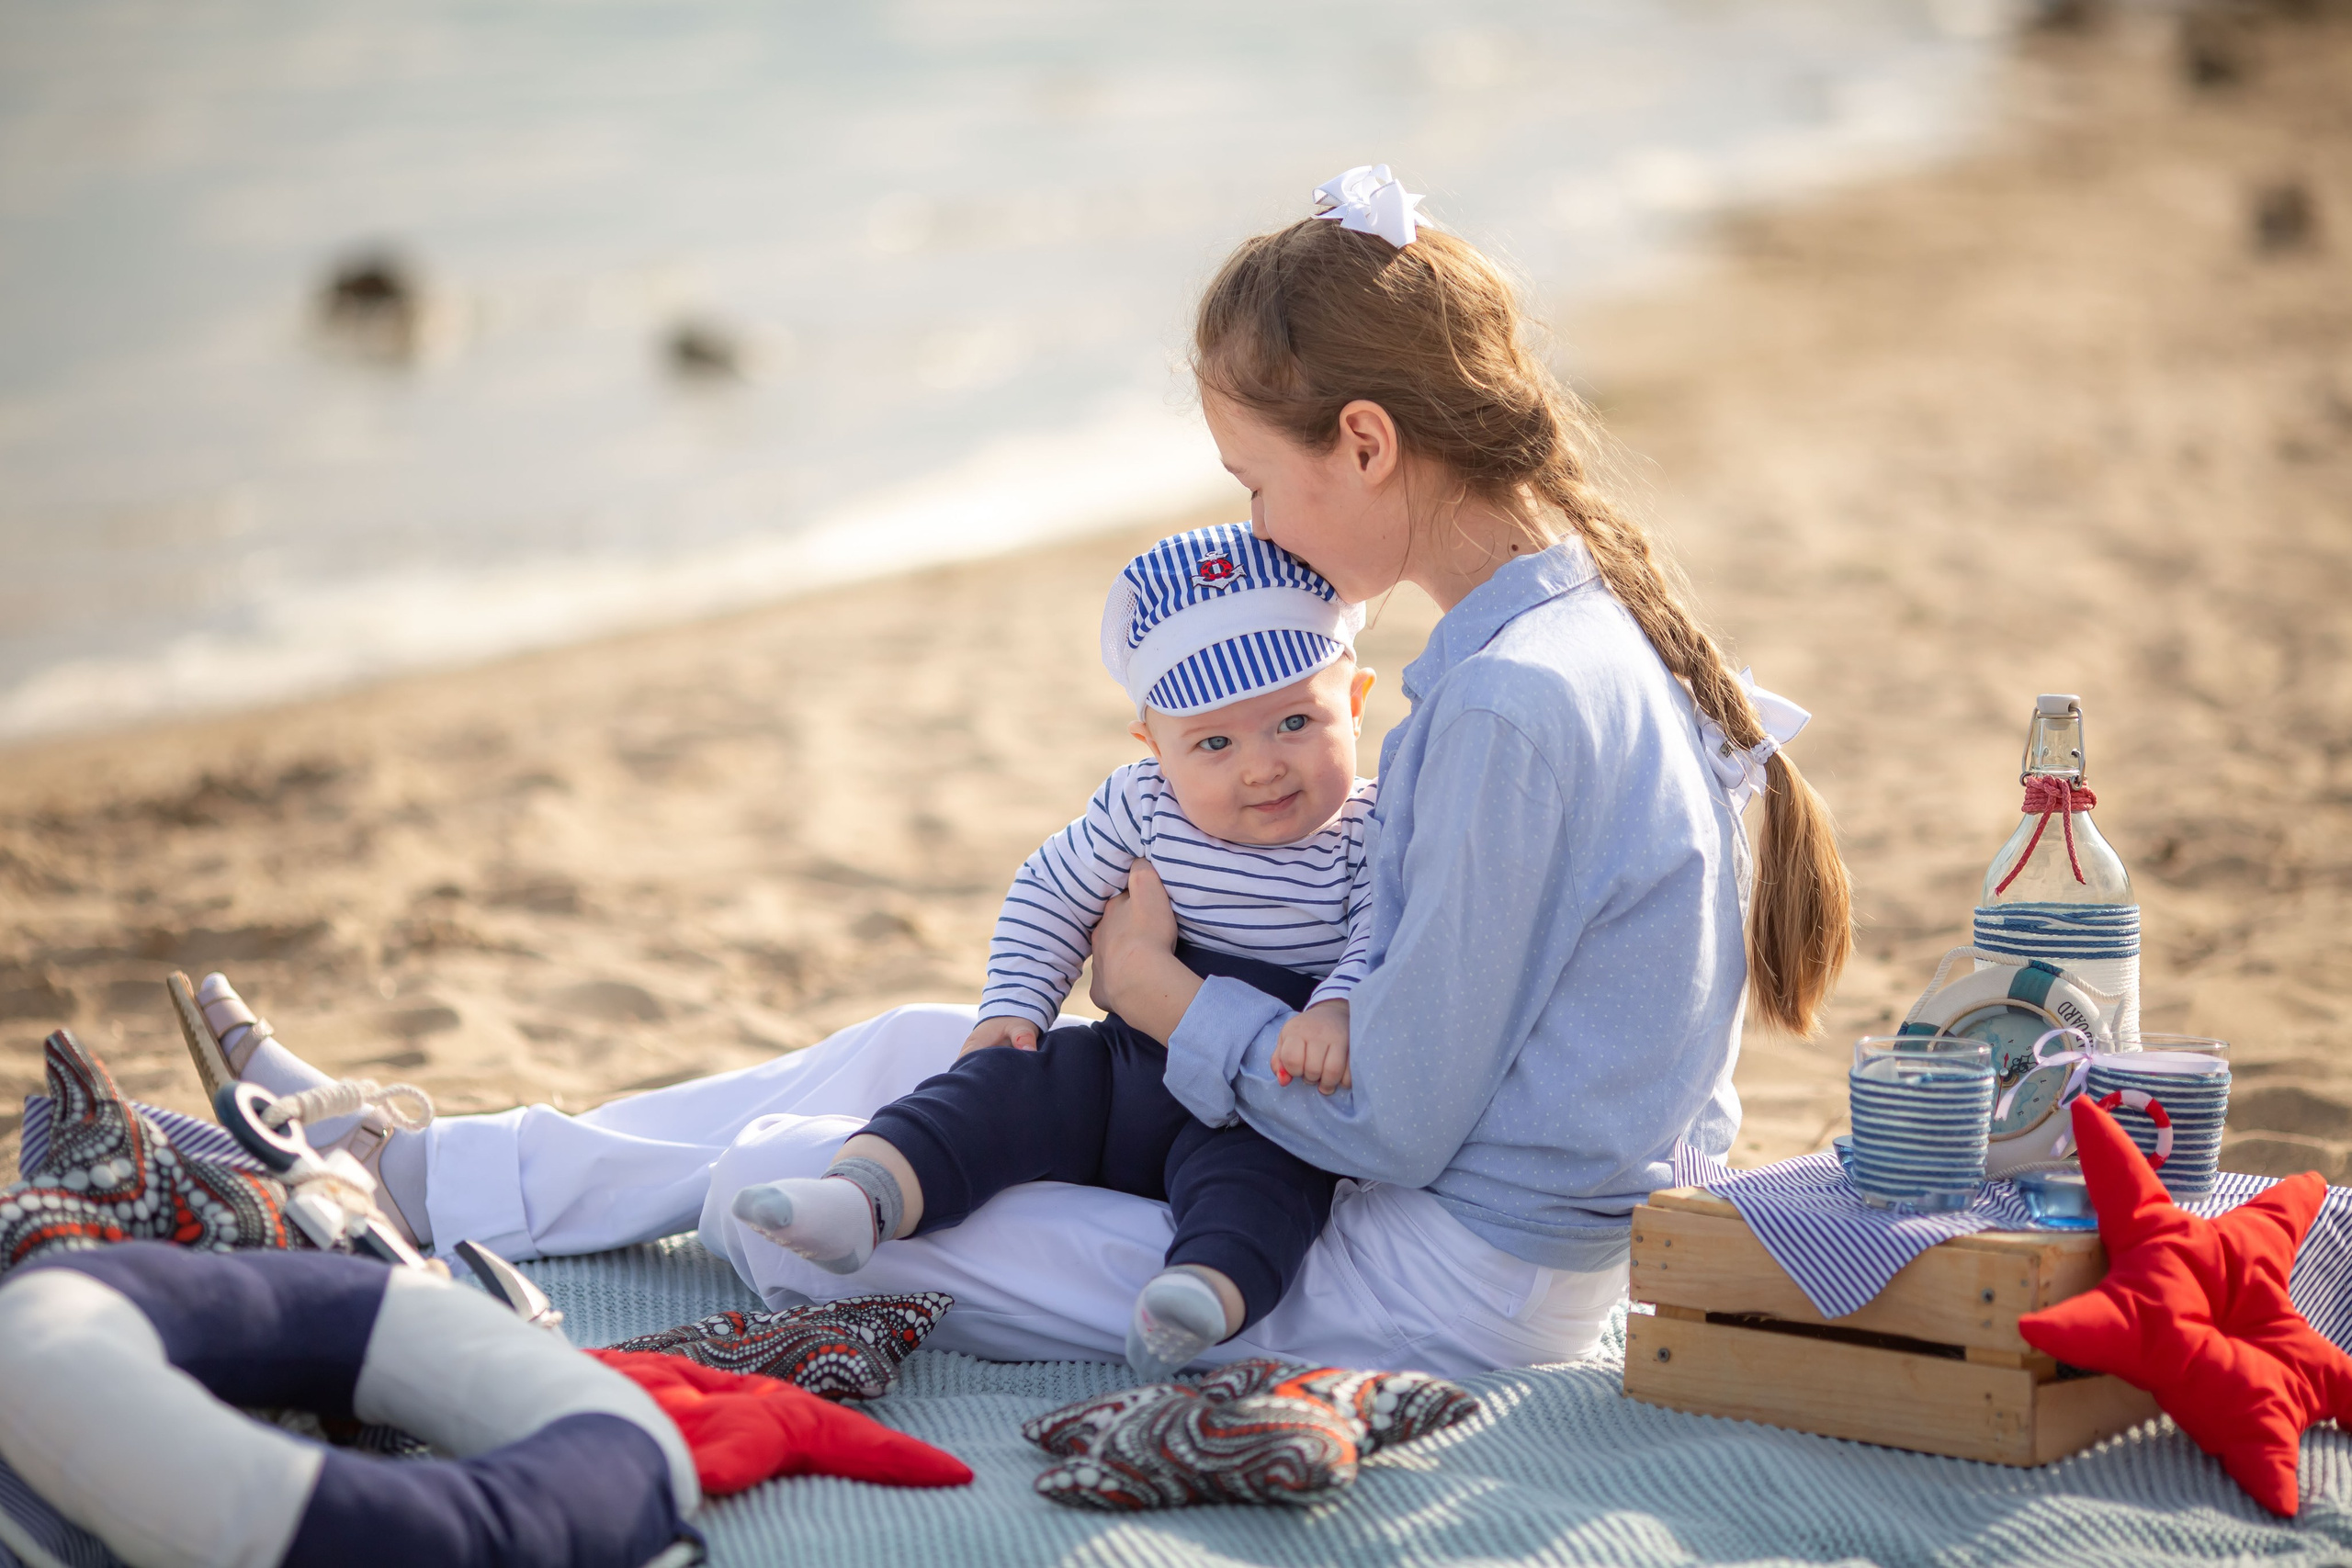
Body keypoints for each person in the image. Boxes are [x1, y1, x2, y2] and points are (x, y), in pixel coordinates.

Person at [189, 164, 1851, 1378]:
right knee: (914, 1052)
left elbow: (1400, 1122)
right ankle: (422, 1166)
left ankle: (377, 1202)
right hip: (1463, 1222)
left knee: (789, 1189)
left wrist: (1153, 995)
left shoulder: (1505, 706)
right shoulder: (1594, 627)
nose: (1254, 532)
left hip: (1437, 1281)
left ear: (1363, 442)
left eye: (1252, 482)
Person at [729, 520, 1383, 1381]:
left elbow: (1385, 929)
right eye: (1214, 742)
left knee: (1269, 1193)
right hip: (1126, 1066)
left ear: (1357, 700)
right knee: (997, 1087)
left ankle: (1196, 1299)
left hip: (1264, 1096)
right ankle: (862, 1198)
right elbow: (1053, 889)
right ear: (1152, 742)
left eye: (1294, 721)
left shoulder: (1368, 829)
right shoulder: (1144, 804)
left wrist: (1336, 1004)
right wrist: (1014, 1006)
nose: (1260, 766)